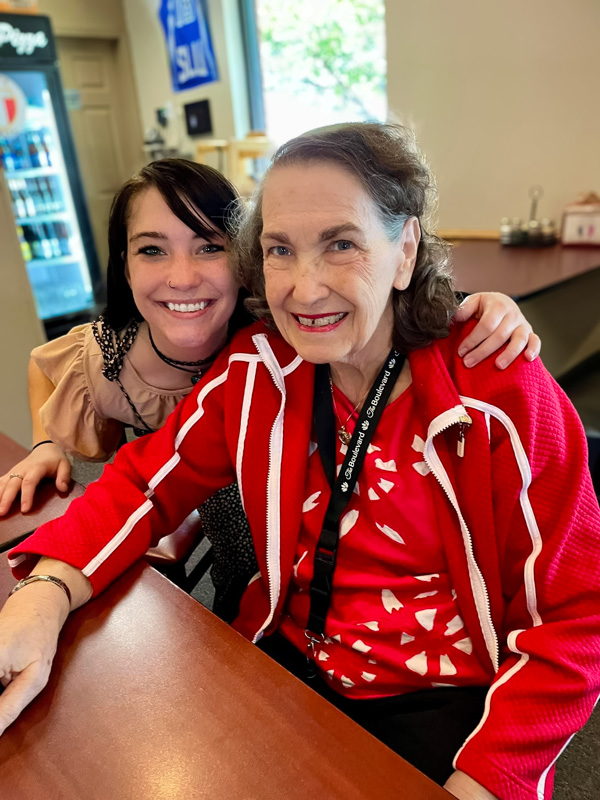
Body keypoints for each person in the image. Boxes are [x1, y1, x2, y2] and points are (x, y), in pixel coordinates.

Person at [2, 124, 592, 800]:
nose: (305, 290)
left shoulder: (500, 393)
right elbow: (142, 481)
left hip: (448, 705)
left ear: (405, 251)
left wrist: (485, 780)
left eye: (341, 244)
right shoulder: (257, 372)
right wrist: (42, 595)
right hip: (287, 664)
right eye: (281, 250)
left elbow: (576, 616)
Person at [0, 158, 537, 619]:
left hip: (299, 568)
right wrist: (46, 450)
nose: (182, 278)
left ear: (243, 262)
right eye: (151, 250)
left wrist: (476, 309)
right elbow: (135, 473)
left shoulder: (279, 343)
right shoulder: (142, 356)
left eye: (209, 247)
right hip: (265, 584)